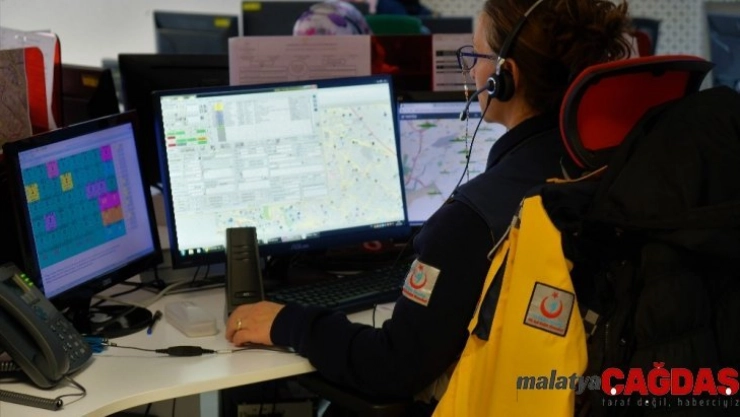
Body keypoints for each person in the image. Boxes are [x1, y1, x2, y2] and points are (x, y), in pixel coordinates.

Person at [227, 0, 633, 413]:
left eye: (477, 57)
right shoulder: (611, 169)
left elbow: (390, 367)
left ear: (504, 77)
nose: (472, 72)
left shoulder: (474, 218)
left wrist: (288, 323)